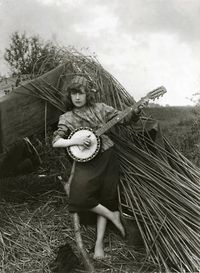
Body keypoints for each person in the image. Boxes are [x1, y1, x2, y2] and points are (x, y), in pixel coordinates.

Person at [52, 75, 141, 259]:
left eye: (81, 93)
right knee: (79, 197)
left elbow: (124, 119)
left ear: (87, 95)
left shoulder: (100, 108)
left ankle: (99, 245)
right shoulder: (66, 117)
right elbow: (56, 142)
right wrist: (74, 140)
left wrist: (136, 111)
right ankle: (112, 215)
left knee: (106, 197)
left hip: (107, 156)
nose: (77, 97)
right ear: (69, 96)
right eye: (74, 93)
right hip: (86, 162)